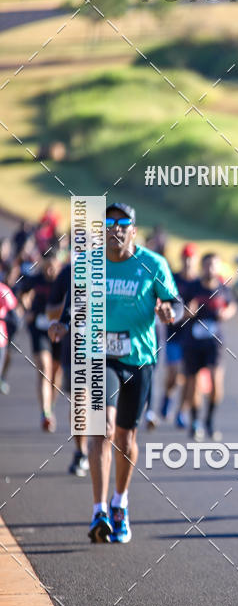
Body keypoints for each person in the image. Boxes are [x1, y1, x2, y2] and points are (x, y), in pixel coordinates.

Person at [49, 203, 182, 543]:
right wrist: (62, 325)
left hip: (138, 359)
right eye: (109, 221)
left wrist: (169, 311)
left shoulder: (153, 264)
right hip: (100, 357)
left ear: (134, 230)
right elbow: (74, 305)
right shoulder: (89, 263)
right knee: (102, 431)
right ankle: (98, 511)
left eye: (124, 223)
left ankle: (120, 503)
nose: (116, 228)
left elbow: (176, 303)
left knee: (126, 439)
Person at [182, 252, 237, 441]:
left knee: (216, 383)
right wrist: (189, 311)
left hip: (215, 342)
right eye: (207, 265)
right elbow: (180, 309)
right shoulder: (192, 287)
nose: (210, 269)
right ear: (202, 267)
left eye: (214, 265)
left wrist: (226, 313)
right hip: (193, 342)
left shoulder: (223, 289)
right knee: (193, 384)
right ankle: (195, 421)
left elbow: (232, 305)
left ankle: (210, 421)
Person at [46, 259, 89, 476]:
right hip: (76, 346)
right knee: (80, 400)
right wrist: (68, 307)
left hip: (110, 349)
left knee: (107, 412)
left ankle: (102, 450)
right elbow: (50, 311)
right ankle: (81, 452)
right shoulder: (69, 273)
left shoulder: (118, 270)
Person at [18, 249, 63, 431]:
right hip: (39, 328)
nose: (50, 272)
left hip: (59, 330)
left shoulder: (65, 279)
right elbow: (22, 292)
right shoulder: (35, 279)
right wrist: (27, 309)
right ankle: (45, 412)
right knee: (44, 368)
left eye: (53, 268)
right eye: (47, 268)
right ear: (43, 265)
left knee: (55, 371)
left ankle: (50, 406)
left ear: (59, 265)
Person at [160, 243, 199, 428]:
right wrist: (182, 313)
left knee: (187, 377)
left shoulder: (198, 283)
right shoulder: (173, 279)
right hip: (173, 334)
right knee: (174, 374)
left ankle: (181, 412)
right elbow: (164, 300)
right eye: (185, 258)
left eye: (191, 258)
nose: (188, 262)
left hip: (192, 337)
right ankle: (167, 398)